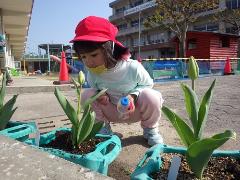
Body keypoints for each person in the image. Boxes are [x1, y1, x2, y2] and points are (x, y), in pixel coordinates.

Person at [70, 16, 164, 146]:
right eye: (83, 56)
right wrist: (101, 95)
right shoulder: (92, 72)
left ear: (109, 48)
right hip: (112, 112)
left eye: (94, 55)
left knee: (152, 96)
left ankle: (150, 129)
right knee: (87, 95)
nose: (89, 62)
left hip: (134, 111)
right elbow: (95, 89)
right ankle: (102, 130)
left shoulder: (131, 66)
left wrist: (132, 96)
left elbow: (148, 84)